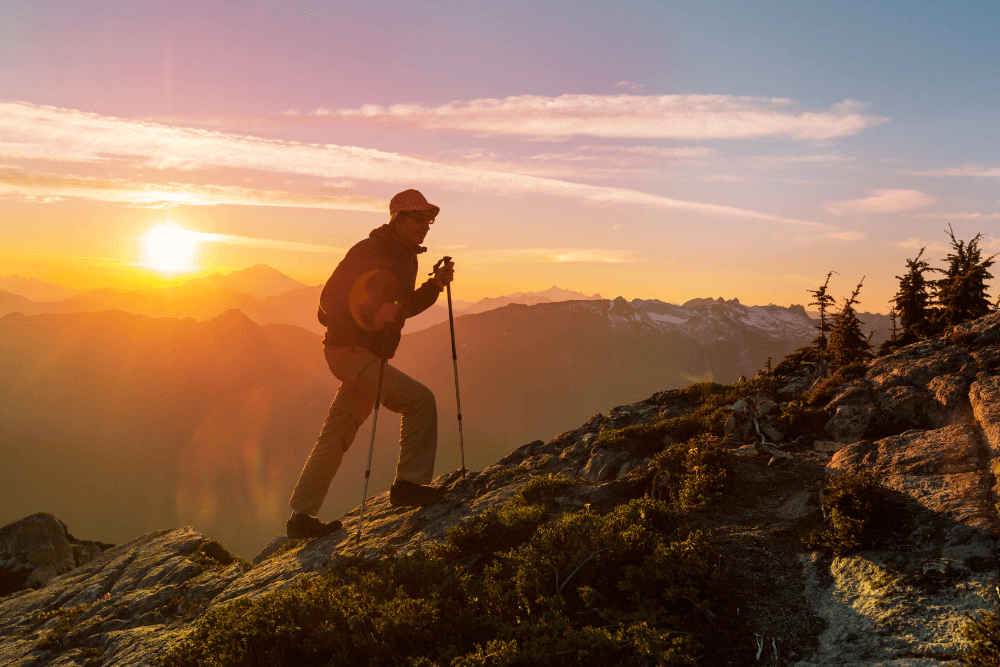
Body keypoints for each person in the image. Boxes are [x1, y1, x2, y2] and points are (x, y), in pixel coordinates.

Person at [286, 189, 455, 539]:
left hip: (363, 355)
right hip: (347, 351)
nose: (426, 225)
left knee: (337, 433)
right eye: (418, 217)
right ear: (397, 218)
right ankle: (408, 485)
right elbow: (329, 299)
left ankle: (300, 518)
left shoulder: (408, 259)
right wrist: (370, 313)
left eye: (429, 219)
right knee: (420, 400)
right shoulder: (370, 250)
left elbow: (403, 307)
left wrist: (435, 286)